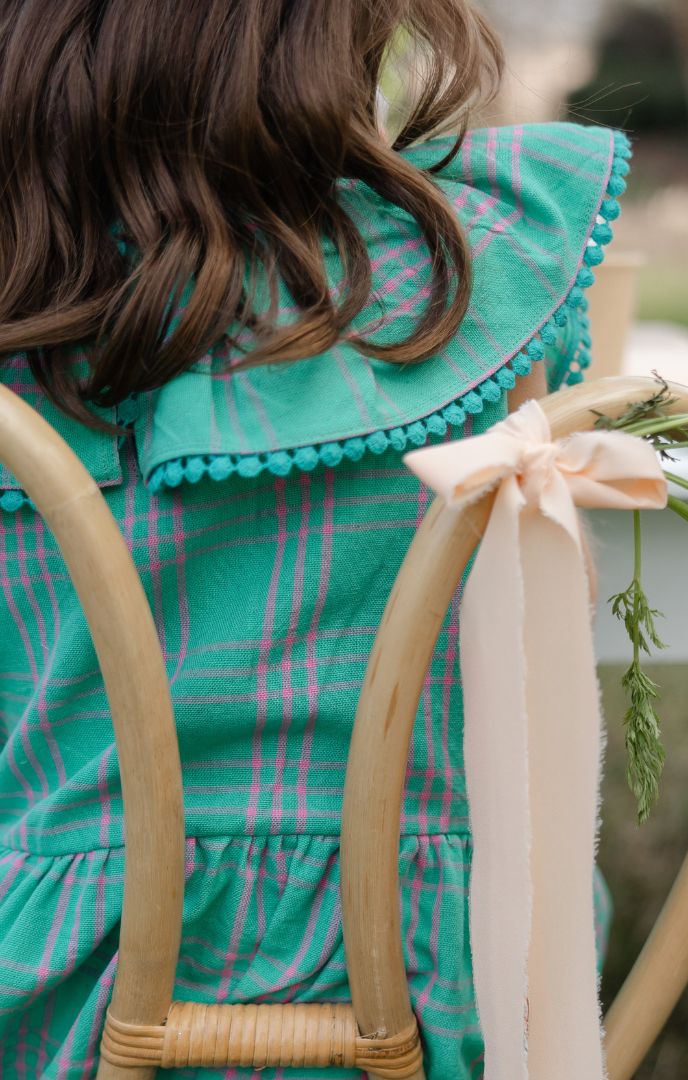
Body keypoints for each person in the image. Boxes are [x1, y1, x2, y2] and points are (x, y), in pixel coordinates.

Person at [0, 2, 629, 1075]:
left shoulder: (23, 302)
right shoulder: (476, 276)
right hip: (436, 994)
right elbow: (540, 666)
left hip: (56, 1000)